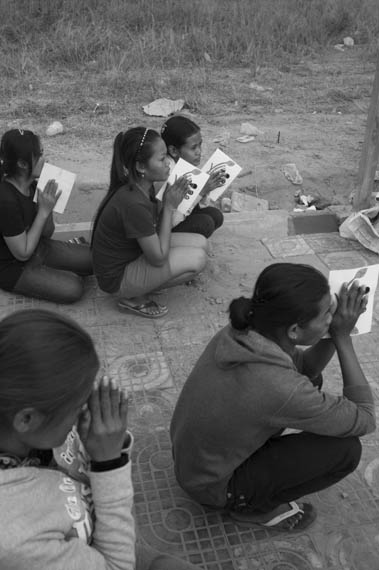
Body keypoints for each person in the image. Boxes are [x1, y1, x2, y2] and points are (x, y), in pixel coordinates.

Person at [170, 263, 375, 531]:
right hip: (214, 487)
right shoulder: (280, 387)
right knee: (346, 450)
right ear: (294, 331)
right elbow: (366, 417)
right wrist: (342, 337)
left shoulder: (241, 332)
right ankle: (251, 509)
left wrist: (329, 332)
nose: (332, 316)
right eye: (327, 312)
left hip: (193, 465)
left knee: (311, 378)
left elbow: (308, 369)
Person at [0, 308, 200, 570]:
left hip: (95, 534)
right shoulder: (14, 538)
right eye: (77, 406)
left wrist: (101, 445)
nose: (86, 411)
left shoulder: (25, 427)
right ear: (26, 419)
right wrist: (109, 463)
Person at [91, 127, 207, 318]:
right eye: (162, 159)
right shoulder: (132, 202)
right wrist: (169, 206)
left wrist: (169, 202)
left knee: (202, 243)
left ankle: (146, 282)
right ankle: (132, 297)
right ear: (141, 167)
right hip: (117, 279)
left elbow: (154, 227)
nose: (168, 164)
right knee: (197, 259)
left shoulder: (143, 186)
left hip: (133, 255)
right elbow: (158, 258)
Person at [0, 129, 92, 303]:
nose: (45, 159)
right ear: (22, 163)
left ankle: (57, 268)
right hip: (13, 267)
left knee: (95, 260)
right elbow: (22, 254)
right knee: (73, 288)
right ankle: (59, 272)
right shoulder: (6, 200)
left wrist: (48, 209)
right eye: (39, 155)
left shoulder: (34, 186)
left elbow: (47, 233)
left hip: (38, 247)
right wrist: (42, 212)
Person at [160, 115, 225, 238]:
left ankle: (194, 242)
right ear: (174, 150)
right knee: (205, 223)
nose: (199, 151)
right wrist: (201, 191)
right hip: (166, 229)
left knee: (216, 215)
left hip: (179, 217)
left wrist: (206, 189)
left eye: (200, 145)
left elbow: (197, 207)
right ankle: (182, 247)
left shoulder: (184, 165)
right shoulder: (168, 174)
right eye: (193, 147)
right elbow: (172, 220)